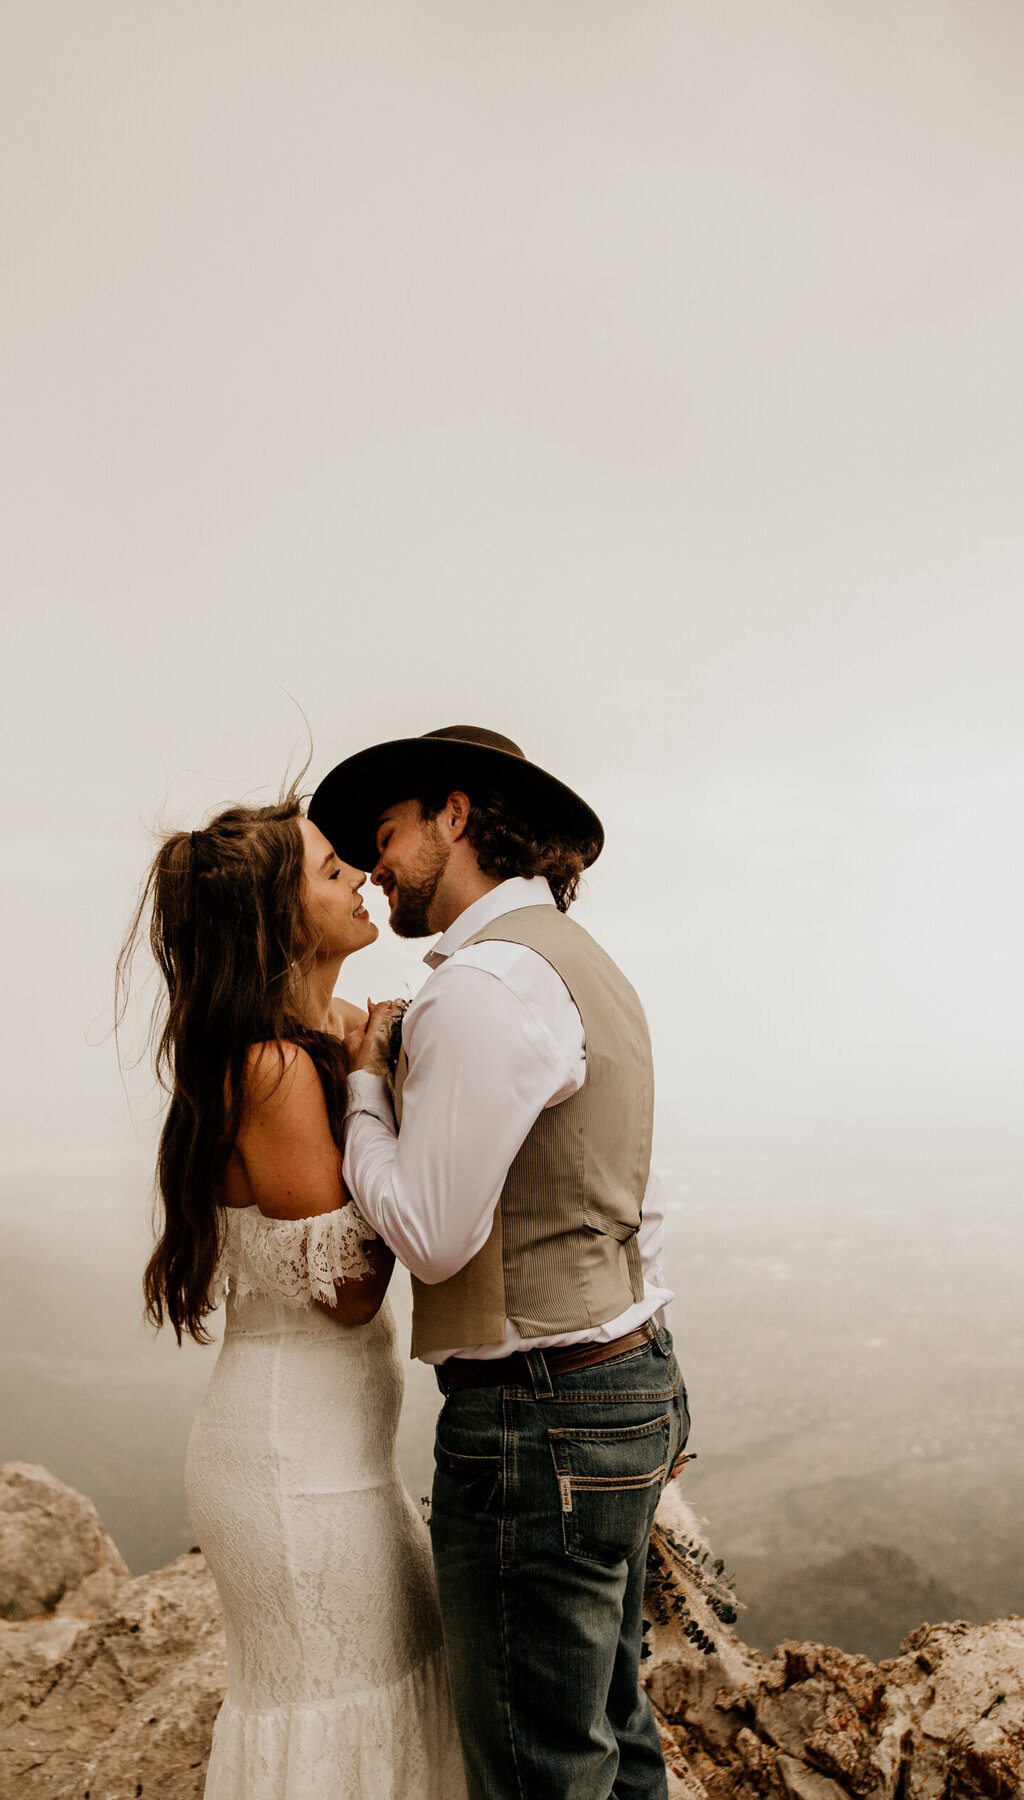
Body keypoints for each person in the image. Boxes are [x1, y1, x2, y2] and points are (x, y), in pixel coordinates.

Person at [308, 725, 691, 1800]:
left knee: (537, 1770)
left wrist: (367, 1090)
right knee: (614, 1739)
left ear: (455, 815)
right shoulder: (575, 963)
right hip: (619, 1374)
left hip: (538, 1420)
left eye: (384, 835)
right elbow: (636, 1198)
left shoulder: (483, 985)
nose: (374, 867)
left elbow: (430, 1233)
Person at [118, 798, 468, 1800]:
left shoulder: (313, 1045)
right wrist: (378, 1096)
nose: (360, 874)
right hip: (292, 1469)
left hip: (338, 1461)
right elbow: (352, 1291)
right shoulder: (273, 1069)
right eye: (328, 871)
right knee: (339, 1725)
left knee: (391, 1701)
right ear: (278, 920)